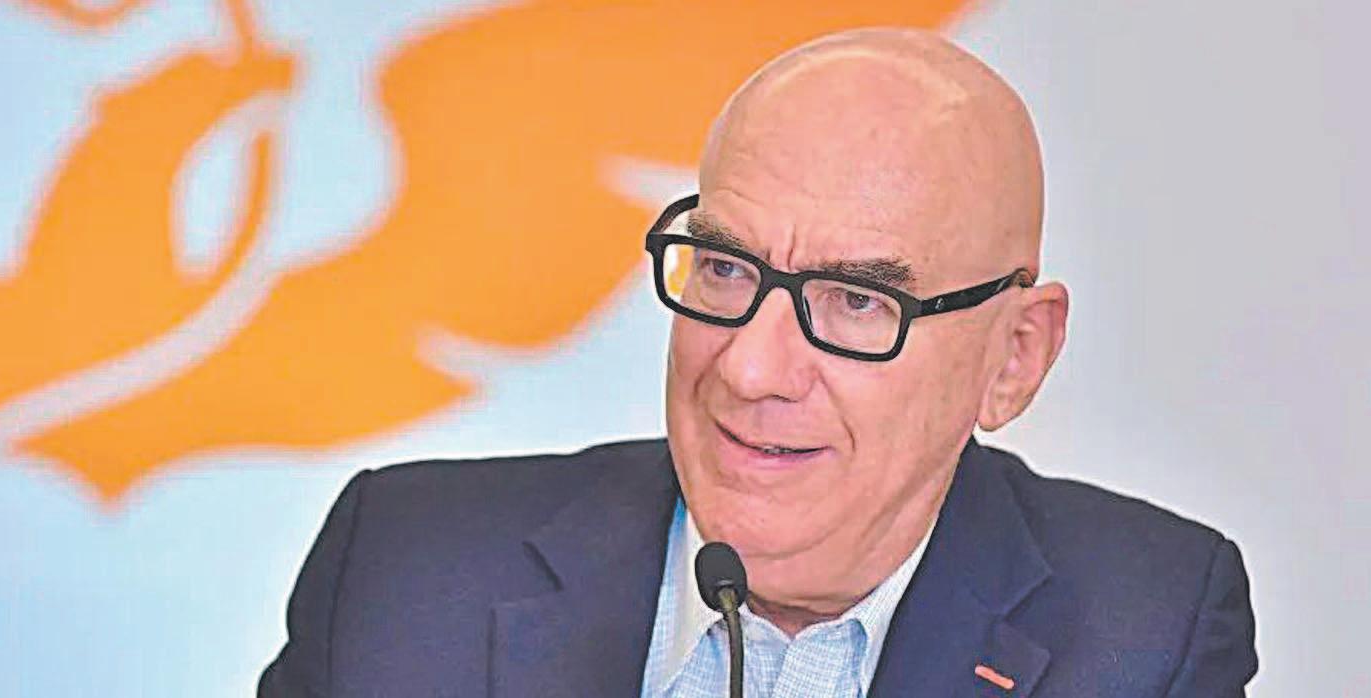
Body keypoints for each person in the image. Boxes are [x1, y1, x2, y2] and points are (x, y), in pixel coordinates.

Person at [258, 28, 1257, 697]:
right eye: (727, 268)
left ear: (1015, 356)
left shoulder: (1144, 632)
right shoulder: (404, 570)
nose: (749, 369)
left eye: (857, 300)